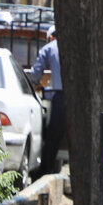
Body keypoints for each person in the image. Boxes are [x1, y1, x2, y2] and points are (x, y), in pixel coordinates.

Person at [31, 25, 64, 174]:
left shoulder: (49, 48)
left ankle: (45, 170)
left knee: (53, 136)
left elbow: (35, 73)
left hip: (60, 97)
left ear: (50, 37)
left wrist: (36, 83)